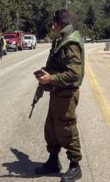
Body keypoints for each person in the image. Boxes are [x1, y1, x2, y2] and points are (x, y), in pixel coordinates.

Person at [34, 9, 84, 182]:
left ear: (57, 23)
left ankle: (75, 166)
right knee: (51, 128)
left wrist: (51, 78)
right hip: (58, 91)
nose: (51, 26)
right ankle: (53, 161)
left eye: (53, 23)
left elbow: (74, 74)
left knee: (66, 128)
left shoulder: (70, 42)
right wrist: (47, 74)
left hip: (66, 94)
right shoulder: (61, 39)